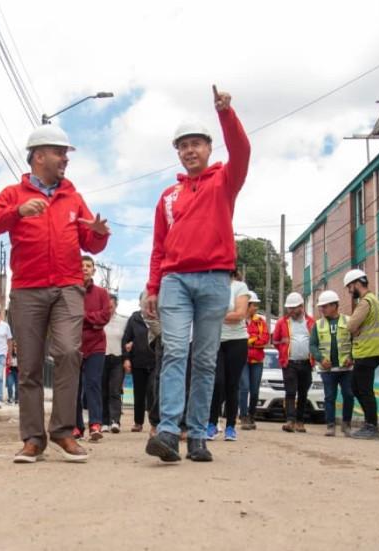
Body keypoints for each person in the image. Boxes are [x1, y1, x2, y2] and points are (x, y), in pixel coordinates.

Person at [0, 123, 110, 463]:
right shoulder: (13, 194)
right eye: (60, 152)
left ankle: (63, 431)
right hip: (27, 290)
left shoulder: (73, 197)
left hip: (67, 287)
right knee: (31, 366)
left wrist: (98, 234)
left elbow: (90, 242)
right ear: (39, 156)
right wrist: (16, 212)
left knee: (68, 352)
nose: (65, 159)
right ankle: (33, 439)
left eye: (65, 154)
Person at [144, 85, 250, 463]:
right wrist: (153, 286)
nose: (190, 150)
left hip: (215, 280)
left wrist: (225, 114)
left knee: (205, 359)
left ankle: (199, 434)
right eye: (183, 145)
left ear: (208, 148)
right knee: (174, 351)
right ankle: (170, 432)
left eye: (197, 144)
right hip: (174, 281)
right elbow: (158, 246)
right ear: (177, 151)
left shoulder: (225, 181)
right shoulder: (168, 197)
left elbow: (242, 150)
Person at [343, 268, 379, 439]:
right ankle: (370, 423)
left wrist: (354, 331)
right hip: (371, 351)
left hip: (368, 351)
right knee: (356, 387)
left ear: (356, 284)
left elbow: (350, 325)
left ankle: (371, 426)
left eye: (349, 287)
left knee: (364, 389)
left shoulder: (365, 302)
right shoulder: (373, 299)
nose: (349, 291)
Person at [208, 271, 250, 441]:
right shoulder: (211, 287)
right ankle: (211, 423)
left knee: (232, 385)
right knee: (217, 383)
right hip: (215, 340)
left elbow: (240, 314)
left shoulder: (240, 287)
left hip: (237, 341)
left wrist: (215, 316)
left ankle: (231, 426)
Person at [310, 290, 354, 437]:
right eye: (321, 307)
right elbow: (313, 345)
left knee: (348, 395)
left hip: (346, 368)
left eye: (325, 306)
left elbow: (356, 341)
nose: (322, 309)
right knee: (329, 397)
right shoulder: (318, 324)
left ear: (335, 305)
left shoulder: (348, 321)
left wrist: (351, 357)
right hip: (327, 369)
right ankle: (330, 425)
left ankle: (346, 424)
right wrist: (321, 359)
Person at [77, 256, 112, 442]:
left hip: (96, 345)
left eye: (88, 266)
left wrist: (84, 317)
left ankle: (95, 424)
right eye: (82, 265)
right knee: (75, 387)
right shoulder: (71, 291)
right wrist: (93, 320)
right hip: (75, 345)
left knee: (93, 384)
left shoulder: (102, 293)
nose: (85, 268)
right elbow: (68, 316)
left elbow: (105, 315)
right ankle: (76, 426)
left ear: (93, 270)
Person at [272, 292, 315, 433]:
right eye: (288, 308)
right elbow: (276, 341)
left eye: (293, 308)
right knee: (290, 392)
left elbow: (315, 342)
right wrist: (285, 352)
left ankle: (300, 422)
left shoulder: (311, 322)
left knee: (303, 392)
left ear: (301, 307)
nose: (290, 311)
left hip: (306, 363)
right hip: (289, 363)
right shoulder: (282, 323)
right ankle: (290, 420)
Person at [123, 291, 157, 433]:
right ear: (140, 303)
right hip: (138, 360)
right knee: (139, 393)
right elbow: (126, 339)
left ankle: (154, 422)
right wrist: (126, 358)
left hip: (155, 360)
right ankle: (138, 422)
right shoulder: (134, 319)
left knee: (152, 390)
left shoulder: (158, 317)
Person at [238, 292, 268, 431]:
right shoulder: (239, 320)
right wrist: (253, 339)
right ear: (247, 305)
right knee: (244, 387)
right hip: (242, 359)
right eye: (254, 305)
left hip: (257, 360)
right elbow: (239, 339)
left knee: (255, 390)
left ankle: (251, 415)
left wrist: (249, 341)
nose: (256, 307)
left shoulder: (260, 321)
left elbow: (265, 339)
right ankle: (243, 416)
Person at [102, 295, 129, 433]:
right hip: (102, 358)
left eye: (111, 306)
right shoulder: (100, 320)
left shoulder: (123, 321)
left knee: (115, 390)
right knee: (103, 391)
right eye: (107, 306)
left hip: (117, 359)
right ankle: (104, 421)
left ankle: (115, 421)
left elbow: (130, 338)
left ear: (116, 306)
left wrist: (127, 357)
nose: (109, 309)